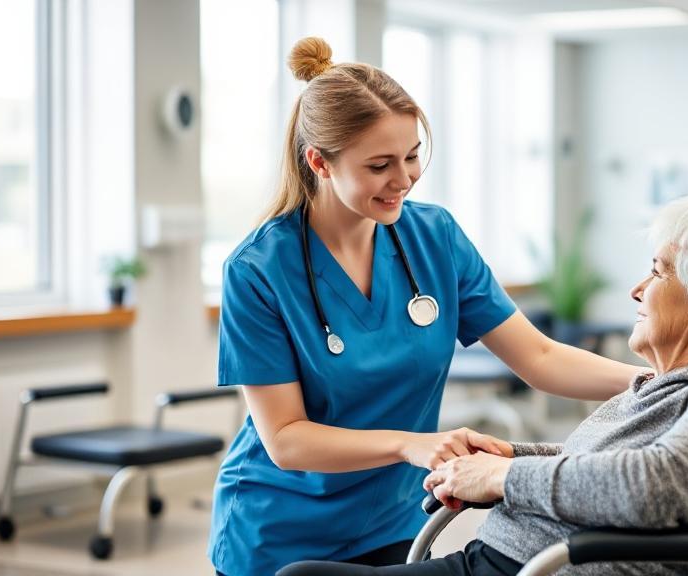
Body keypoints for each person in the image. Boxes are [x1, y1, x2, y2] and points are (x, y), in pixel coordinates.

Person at [208, 37, 646, 576]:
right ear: (319, 162)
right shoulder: (258, 270)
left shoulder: (434, 237)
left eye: (413, 156)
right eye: (379, 165)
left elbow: (539, 357)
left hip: (393, 519)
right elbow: (285, 439)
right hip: (278, 528)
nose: (404, 179)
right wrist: (411, 445)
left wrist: (663, 383)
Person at [277, 196, 688, 576]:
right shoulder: (670, 388)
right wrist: (511, 451)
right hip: (511, 559)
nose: (637, 290)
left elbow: (655, 488)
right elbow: (596, 460)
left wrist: (505, 475)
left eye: (657, 272)